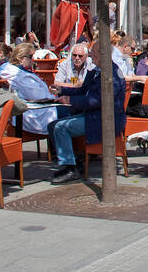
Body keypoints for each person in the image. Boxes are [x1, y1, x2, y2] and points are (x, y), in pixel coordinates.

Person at [48, 44, 125, 185]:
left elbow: (96, 101)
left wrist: (71, 100)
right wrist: (62, 90)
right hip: (93, 115)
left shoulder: (110, 74)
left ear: (103, 55)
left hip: (103, 119)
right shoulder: (97, 70)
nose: (91, 56)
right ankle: (74, 162)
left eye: (93, 54)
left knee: (61, 127)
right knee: (52, 126)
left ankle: (70, 169)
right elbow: (82, 91)